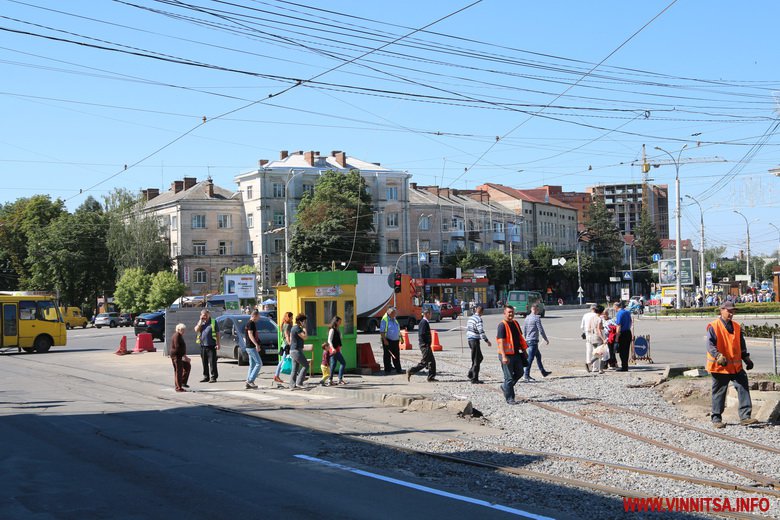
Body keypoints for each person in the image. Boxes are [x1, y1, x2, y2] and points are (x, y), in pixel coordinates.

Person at [706, 301, 758, 428]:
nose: (731, 313)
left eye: (733, 311)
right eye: (729, 311)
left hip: (736, 367)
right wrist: (718, 356)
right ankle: (716, 419)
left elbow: (741, 345)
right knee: (719, 392)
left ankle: (745, 417)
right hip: (720, 367)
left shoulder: (736, 326)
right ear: (721, 310)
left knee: (743, 387)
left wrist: (746, 358)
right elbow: (710, 345)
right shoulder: (714, 326)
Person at [496, 305, 528, 405]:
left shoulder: (515, 323)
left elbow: (520, 338)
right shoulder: (502, 325)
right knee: (509, 378)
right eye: (509, 312)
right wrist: (504, 356)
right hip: (506, 355)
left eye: (512, 312)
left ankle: (505, 387)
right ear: (504, 313)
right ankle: (510, 398)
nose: (511, 314)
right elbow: (500, 342)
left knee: (520, 373)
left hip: (516, 354)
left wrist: (524, 351)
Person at [406, 307, 437, 382]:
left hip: (426, 345)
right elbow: (422, 334)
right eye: (430, 313)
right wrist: (426, 344)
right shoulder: (423, 322)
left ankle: (431, 377)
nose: (431, 315)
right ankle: (411, 370)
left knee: (432, 362)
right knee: (424, 362)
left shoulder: (425, 322)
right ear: (427, 314)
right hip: (425, 345)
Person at [522, 303, 551, 382]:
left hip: (528, 340)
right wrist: (545, 339)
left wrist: (526, 338)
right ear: (536, 310)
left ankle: (543, 372)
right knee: (530, 358)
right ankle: (526, 375)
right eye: (538, 310)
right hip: (533, 341)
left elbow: (524, 330)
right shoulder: (536, 318)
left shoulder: (527, 318)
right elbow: (541, 330)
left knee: (538, 356)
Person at [466, 304, 491, 384]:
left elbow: (468, 328)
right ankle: (474, 378)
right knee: (477, 359)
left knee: (478, 358)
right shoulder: (479, 319)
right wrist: (487, 340)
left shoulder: (470, 318)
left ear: (476, 310)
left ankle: (471, 373)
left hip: (470, 340)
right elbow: (481, 331)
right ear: (482, 312)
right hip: (475, 340)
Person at [194, 309, 220, 383]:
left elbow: (217, 333)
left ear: (209, 315)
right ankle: (206, 376)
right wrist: (200, 322)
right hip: (203, 345)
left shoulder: (213, 321)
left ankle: (213, 377)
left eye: (206, 315)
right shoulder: (201, 322)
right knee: (204, 362)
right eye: (203, 315)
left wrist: (218, 343)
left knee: (212, 362)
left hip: (211, 345)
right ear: (201, 315)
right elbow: (196, 330)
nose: (204, 317)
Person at [379, 307, 403, 375]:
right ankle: (387, 369)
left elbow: (397, 329)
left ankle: (398, 369)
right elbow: (382, 331)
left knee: (396, 355)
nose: (395, 315)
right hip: (388, 340)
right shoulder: (385, 319)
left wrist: (401, 338)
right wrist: (384, 340)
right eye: (394, 313)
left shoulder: (394, 319)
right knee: (387, 355)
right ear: (390, 313)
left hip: (395, 340)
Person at [289, 313, 309, 390]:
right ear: (301, 321)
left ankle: (292, 385)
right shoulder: (297, 328)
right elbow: (305, 337)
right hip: (296, 350)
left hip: (293, 350)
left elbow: (291, 340)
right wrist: (305, 328)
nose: (305, 323)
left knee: (295, 369)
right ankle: (299, 382)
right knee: (306, 365)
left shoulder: (293, 328)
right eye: (305, 321)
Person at [170, 323, 191, 392]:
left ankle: (182, 382)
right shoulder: (177, 336)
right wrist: (185, 357)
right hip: (177, 356)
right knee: (178, 371)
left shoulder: (179, 335)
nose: (183, 331)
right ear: (178, 329)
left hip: (179, 355)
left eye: (184, 330)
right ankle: (178, 388)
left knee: (187, 366)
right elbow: (178, 347)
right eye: (182, 330)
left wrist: (184, 356)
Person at [584, 305, 605, 374]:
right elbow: (599, 329)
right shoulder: (599, 319)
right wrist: (603, 338)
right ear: (601, 311)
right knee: (601, 353)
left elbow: (589, 327)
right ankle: (596, 367)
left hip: (592, 337)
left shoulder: (592, 318)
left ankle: (591, 364)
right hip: (598, 337)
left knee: (597, 352)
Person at [244, 310, 262, 389]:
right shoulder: (251, 323)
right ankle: (250, 380)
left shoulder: (250, 323)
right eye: (258, 316)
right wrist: (256, 344)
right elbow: (250, 334)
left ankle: (248, 381)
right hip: (251, 347)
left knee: (252, 365)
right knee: (259, 363)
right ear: (254, 316)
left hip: (249, 346)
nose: (259, 318)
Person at [274, 311, 293, 384]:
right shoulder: (287, 325)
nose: (292, 319)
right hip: (286, 345)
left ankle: (276, 375)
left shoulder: (284, 324)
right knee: (284, 360)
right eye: (291, 317)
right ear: (288, 317)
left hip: (284, 344)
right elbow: (287, 335)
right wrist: (290, 343)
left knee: (285, 360)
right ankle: (276, 375)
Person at [328, 316, 347, 385]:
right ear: (335, 322)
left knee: (333, 364)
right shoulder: (332, 330)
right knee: (343, 363)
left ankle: (330, 380)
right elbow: (329, 340)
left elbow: (339, 340)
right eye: (339, 322)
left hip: (336, 349)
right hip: (334, 350)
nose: (340, 323)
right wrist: (332, 348)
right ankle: (339, 379)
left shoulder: (337, 330)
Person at [615, 301, 633, 371]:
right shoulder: (627, 312)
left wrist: (617, 337)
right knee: (626, 351)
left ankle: (624, 367)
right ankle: (625, 366)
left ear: (617, 306)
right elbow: (631, 322)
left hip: (622, 333)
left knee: (622, 351)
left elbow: (618, 325)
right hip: (628, 332)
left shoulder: (619, 313)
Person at [580, 304, 597, 372]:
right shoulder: (596, 315)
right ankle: (595, 367)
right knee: (596, 350)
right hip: (595, 334)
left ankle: (588, 364)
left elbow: (582, 326)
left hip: (588, 334)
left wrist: (584, 331)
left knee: (588, 350)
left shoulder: (585, 315)